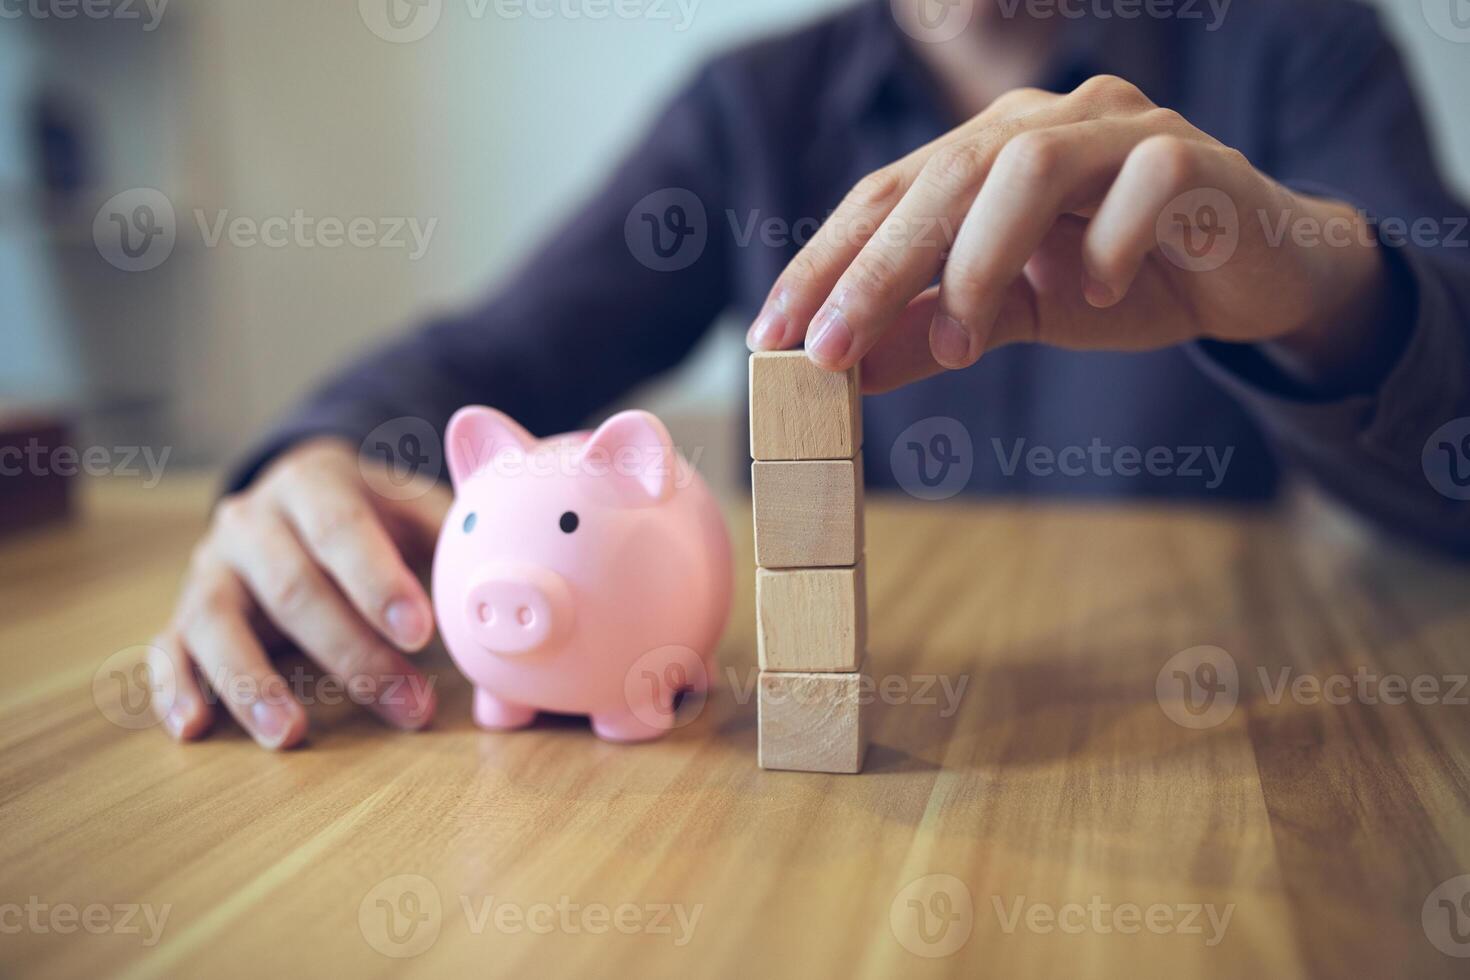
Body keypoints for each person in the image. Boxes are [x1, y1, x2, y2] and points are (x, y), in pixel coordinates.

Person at [152, 0, 1470, 749]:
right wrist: (310, 462)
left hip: (1211, 730)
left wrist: (1328, 290)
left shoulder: (1302, 44)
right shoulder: (745, 106)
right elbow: (488, 357)